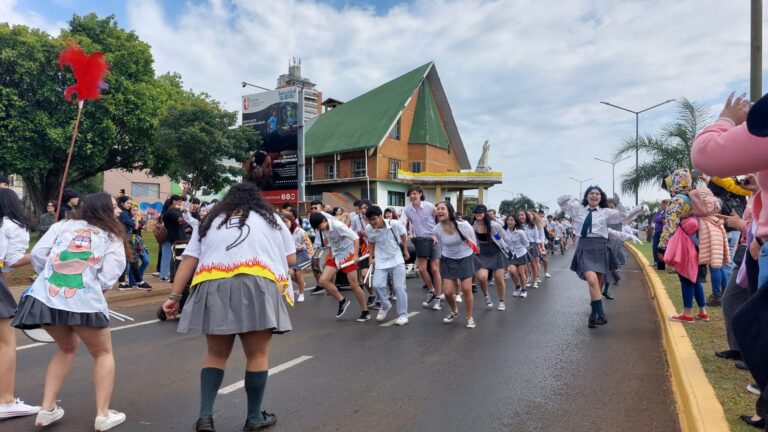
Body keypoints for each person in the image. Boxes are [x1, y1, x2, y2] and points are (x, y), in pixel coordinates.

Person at [162, 183, 294, 432]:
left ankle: (205, 418)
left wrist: (174, 296)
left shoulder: (210, 221)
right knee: (257, 355)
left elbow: (189, 258)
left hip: (213, 283)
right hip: (257, 281)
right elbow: (290, 259)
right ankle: (254, 417)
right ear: (257, 200)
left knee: (215, 354)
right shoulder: (273, 219)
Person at [12, 192, 129, 430]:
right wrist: (98, 288)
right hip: (84, 301)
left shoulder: (63, 225)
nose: (118, 211)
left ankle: (46, 409)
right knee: (103, 353)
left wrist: (50, 273)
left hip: (45, 297)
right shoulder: (111, 234)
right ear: (104, 209)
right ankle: (102, 414)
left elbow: (37, 254)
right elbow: (111, 272)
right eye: (115, 206)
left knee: (66, 348)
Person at [558, 186, 627, 329]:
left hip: (601, 247)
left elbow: (623, 215)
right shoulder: (578, 209)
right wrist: (571, 196)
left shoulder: (606, 212)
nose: (594, 196)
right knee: (591, 279)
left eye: (597, 194)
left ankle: (592, 316)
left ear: (601, 197)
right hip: (585, 246)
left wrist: (618, 202)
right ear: (587, 196)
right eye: (591, 193)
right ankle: (601, 314)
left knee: (597, 284)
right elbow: (561, 201)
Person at [0, 188, 38, 420]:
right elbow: (12, 260)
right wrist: (40, 253)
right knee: (6, 343)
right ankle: (5, 400)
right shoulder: (12, 225)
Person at [309, 211, 371, 321]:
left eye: (319, 227)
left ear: (324, 221)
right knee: (323, 281)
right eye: (317, 228)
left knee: (354, 285)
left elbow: (355, 238)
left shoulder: (338, 225)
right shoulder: (323, 226)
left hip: (348, 254)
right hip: (335, 254)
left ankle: (365, 311)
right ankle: (342, 301)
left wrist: (355, 255)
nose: (320, 229)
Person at [433, 201, 478, 328]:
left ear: (449, 211)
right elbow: (442, 244)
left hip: (465, 258)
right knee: (447, 293)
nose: (440, 211)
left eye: (443, 209)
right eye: (438, 209)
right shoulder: (436, 229)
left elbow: (473, 241)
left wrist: (468, 253)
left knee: (466, 289)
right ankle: (454, 311)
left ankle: (469, 317)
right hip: (448, 259)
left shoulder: (463, 225)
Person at [365, 205, 410, 325]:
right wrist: (371, 257)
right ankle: (385, 305)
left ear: (380, 216)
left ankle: (403, 315)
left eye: (374, 219)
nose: (372, 222)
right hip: (381, 260)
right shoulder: (369, 228)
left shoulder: (394, 224)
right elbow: (371, 242)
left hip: (396, 259)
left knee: (399, 288)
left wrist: (405, 250)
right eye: (370, 220)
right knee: (377, 285)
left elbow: (403, 235)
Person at [404, 185, 443, 311]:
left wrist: (437, 235)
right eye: (410, 194)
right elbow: (411, 222)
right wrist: (411, 234)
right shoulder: (407, 210)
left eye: (414, 193)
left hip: (434, 240)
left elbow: (440, 220)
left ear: (420, 194)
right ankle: (431, 290)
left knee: (435, 269)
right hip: (420, 240)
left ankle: (438, 298)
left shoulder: (430, 207)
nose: (412, 196)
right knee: (421, 269)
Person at [472, 204, 510, 311]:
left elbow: (502, 236)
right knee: (482, 277)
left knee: (498, 278)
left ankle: (501, 301)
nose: (478, 214)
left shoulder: (493, 225)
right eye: (476, 213)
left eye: (480, 212)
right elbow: (474, 240)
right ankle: (486, 295)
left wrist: (501, 244)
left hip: (496, 250)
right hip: (482, 252)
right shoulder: (474, 225)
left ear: (484, 214)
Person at [283, 213, 311, 303]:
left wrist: (311, 256)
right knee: (290, 273)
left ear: (291, 221)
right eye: (283, 222)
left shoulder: (300, 231)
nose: (285, 224)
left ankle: (301, 293)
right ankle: (301, 283)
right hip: (291, 254)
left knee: (299, 273)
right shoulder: (283, 232)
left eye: (286, 221)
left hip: (302, 253)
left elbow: (308, 244)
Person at [503, 214, 531, 298]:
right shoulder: (504, 231)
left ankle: (524, 289)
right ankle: (517, 286)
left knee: (520, 272)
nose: (509, 222)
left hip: (521, 253)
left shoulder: (520, 232)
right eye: (508, 220)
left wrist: (522, 249)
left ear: (515, 222)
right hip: (511, 254)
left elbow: (526, 243)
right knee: (512, 271)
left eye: (511, 220)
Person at [160, 195, 185, 281]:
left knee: (169, 256)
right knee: (169, 257)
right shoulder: (170, 212)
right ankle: (165, 275)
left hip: (170, 237)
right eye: (178, 202)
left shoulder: (169, 212)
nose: (179, 204)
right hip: (170, 237)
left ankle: (166, 274)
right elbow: (181, 220)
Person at [518, 210, 542, 288]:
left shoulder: (532, 225)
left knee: (533, 265)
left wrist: (540, 247)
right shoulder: (518, 226)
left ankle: (535, 281)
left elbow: (536, 238)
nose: (521, 217)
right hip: (522, 247)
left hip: (532, 245)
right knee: (524, 265)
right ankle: (527, 279)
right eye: (519, 215)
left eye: (523, 215)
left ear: (526, 216)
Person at [652, 200, 669, 270]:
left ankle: (662, 263)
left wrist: (660, 219)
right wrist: (661, 219)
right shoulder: (659, 212)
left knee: (662, 248)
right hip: (657, 231)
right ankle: (656, 261)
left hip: (663, 232)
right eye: (661, 204)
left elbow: (666, 219)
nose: (661, 206)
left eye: (663, 204)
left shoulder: (668, 212)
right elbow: (654, 219)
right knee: (654, 247)